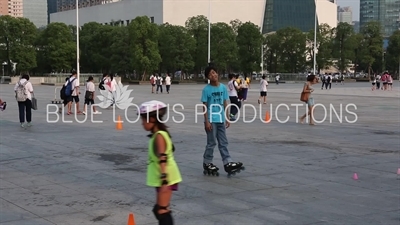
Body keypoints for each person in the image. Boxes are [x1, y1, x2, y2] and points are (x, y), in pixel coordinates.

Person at [138, 100, 182, 225]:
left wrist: (164, 180)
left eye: (143, 120)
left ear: (152, 119)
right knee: (159, 210)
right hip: (163, 176)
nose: (142, 124)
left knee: (162, 211)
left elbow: (163, 157)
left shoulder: (159, 136)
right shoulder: (158, 134)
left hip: (165, 177)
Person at [201, 65, 244, 176]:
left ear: (217, 73)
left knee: (223, 142)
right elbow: (204, 106)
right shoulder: (206, 89)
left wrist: (227, 117)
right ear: (208, 77)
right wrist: (206, 121)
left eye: (214, 72)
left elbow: (225, 103)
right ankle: (207, 162)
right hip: (211, 119)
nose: (213, 75)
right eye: (210, 74)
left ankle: (227, 162)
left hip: (220, 119)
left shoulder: (223, 88)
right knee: (211, 143)